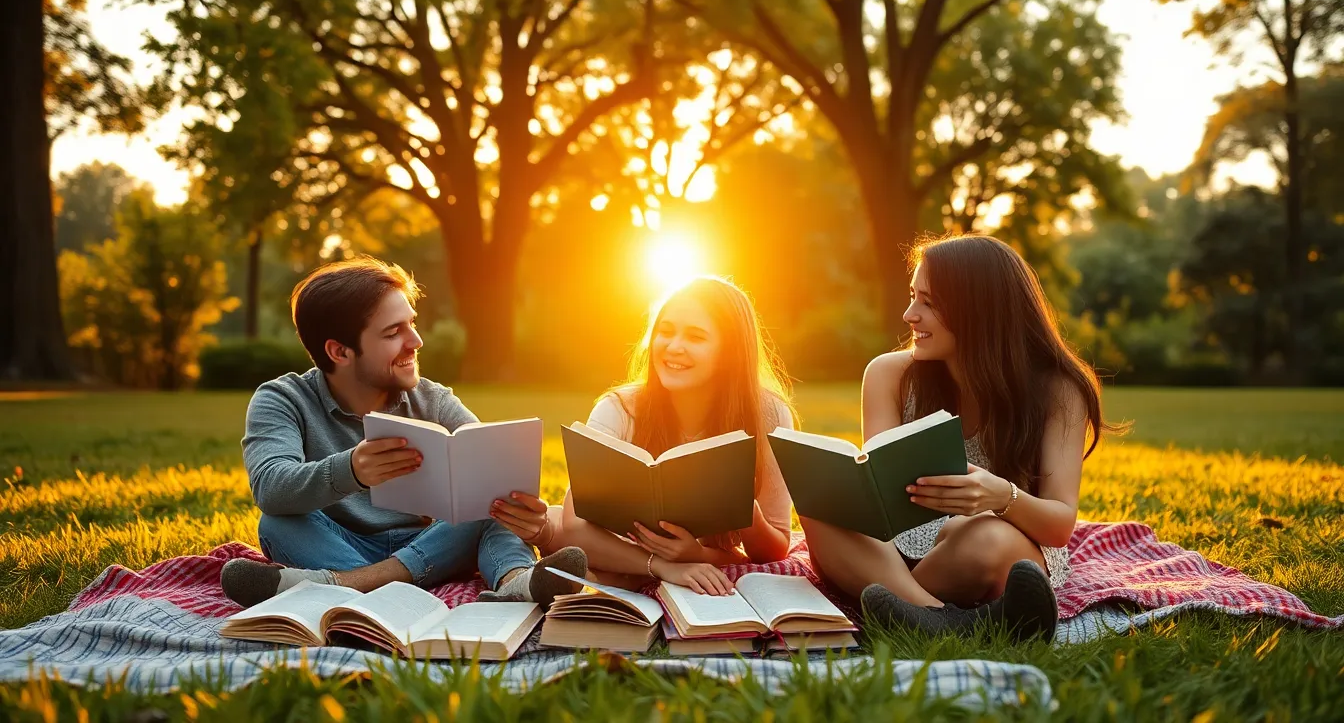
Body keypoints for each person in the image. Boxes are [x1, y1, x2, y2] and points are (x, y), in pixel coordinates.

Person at [801, 234, 1119, 641]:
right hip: (895, 553)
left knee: (983, 536)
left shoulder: (1058, 390)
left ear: (979, 311)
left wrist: (1001, 496)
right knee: (818, 502)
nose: (909, 314)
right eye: (913, 295)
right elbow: (875, 495)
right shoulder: (888, 374)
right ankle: (934, 617)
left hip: (999, 543)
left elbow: (1059, 524)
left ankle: (902, 608)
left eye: (928, 302)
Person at [219, 256, 587, 608]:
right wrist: (352, 470)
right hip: (338, 542)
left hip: (431, 541)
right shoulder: (282, 399)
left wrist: (529, 519)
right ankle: (386, 584)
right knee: (277, 520)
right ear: (339, 352)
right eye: (394, 332)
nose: (415, 341)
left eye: (411, 324)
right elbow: (270, 485)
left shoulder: (433, 399)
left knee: (490, 499)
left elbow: (490, 466)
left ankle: (514, 582)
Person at [488, 276, 797, 596]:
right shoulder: (619, 408)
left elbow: (774, 548)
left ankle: (589, 572)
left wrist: (736, 510)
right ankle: (571, 570)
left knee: (568, 539)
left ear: (730, 351)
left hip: (687, 555)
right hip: (617, 544)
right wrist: (661, 565)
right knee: (559, 524)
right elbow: (575, 523)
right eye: (665, 331)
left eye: (696, 336)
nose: (674, 346)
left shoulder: (769, 415)